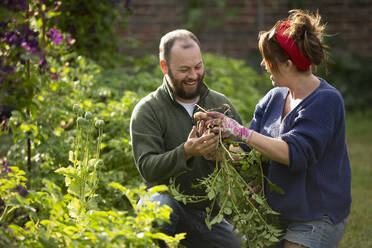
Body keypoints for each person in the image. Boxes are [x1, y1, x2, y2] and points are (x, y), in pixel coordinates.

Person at [195, 9, 351, 248]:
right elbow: (251, 155)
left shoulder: (326, 101)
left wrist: (240, 131)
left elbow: (295, 154)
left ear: (287, 64)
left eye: (266, 59)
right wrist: (216, 149)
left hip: (315, 214)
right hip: (276, 214)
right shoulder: (273, 98)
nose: (262, 65)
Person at [130, 29, 242, 247]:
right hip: (164, 201)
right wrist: (187, 151)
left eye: (198, 66)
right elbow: (148, 168)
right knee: (161, 211)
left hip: (207, 214)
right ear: (164, 67)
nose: (193, 75)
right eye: (184, 70)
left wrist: (225, 155)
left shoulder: (221, 104)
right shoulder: (148, 109)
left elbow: (247, 153)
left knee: (240, 244)